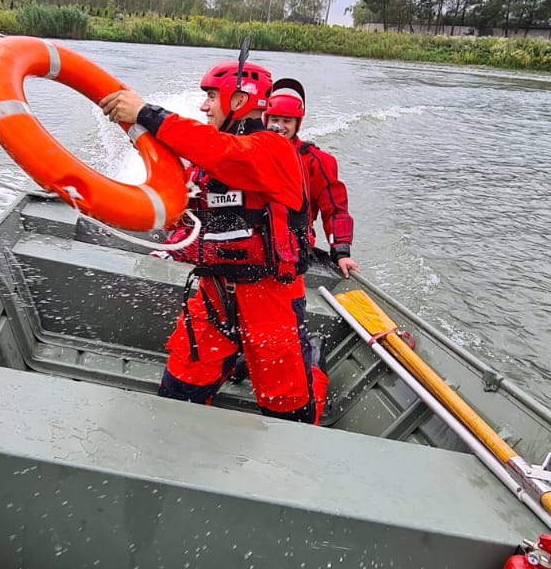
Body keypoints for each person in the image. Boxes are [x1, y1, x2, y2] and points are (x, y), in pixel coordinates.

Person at [100, 55, 328, 424]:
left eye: (210, 97)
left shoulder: (272, 149)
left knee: (290, 411)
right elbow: (179, 200)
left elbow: (220, 151)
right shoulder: (208, 160)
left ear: (239, 100)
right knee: (178, 392)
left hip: (271, 300)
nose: (204, 106)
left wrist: (146, 113)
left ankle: (313, 364)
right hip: (215, 294)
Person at [262, 80, 359, 279]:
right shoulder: (250, 153)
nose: (279, 127)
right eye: (274, 120)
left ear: (297, 123)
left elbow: (335, 208)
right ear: (265, 120)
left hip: (294, 248)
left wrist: (341, 252)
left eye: (287, 121)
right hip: (256, 246)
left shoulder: (316, 161)